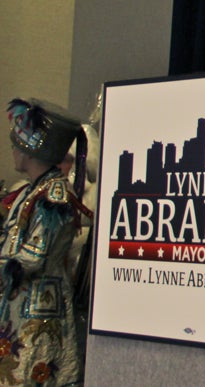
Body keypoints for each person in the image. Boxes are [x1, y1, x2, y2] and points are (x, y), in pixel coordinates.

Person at [2, 98, 92, 386]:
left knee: (32, 373)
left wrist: (7, 265)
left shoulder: (53, 196)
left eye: (18, 146)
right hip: (20, 303)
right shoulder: (29, 193)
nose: (14, 151)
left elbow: (34, 254)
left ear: (30, 152)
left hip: (40, 307)